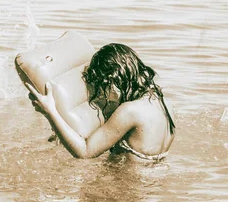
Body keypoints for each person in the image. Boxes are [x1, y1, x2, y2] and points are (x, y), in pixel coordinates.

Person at [26, 43, 176, 161]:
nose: (103, 96)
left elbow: (85, 153)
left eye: (101, 87)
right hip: (150, 189)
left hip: (125, 192)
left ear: (112, 80)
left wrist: (50, 112)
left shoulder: (129, 111)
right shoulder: (163, 103)